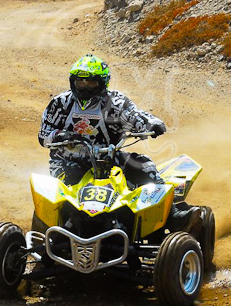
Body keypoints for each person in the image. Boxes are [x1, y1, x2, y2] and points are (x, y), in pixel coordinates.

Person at [37, 54, 200, 232]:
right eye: (80, 82)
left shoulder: (115, 103)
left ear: (102, 82)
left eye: (91, 83)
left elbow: (134, 116)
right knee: (57, 192)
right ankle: (56, 227)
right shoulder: (60, 103)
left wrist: (150, 123)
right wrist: (61, 135)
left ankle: (173, 215)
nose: (84, 87)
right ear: (72, 81)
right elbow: (43, 135)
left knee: (144, 166)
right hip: (68, 161)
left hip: (109, 158)